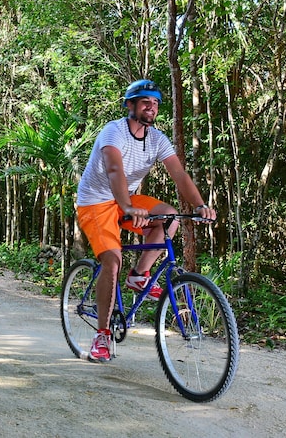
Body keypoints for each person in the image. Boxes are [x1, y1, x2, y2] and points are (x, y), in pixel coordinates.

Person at [75, 79, 217, 363]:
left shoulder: (157, 139)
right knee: (111, 262)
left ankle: (139, 275)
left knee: (169, 216)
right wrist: (127, 206)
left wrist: (201, 205)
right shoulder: (113, 132)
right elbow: (114, 169)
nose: (151, 108)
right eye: (145, 103)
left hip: (125, 199)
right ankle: (102, 335)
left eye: (155, 104)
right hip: (95, 202)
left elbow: (180, 176)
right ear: (130, 105)